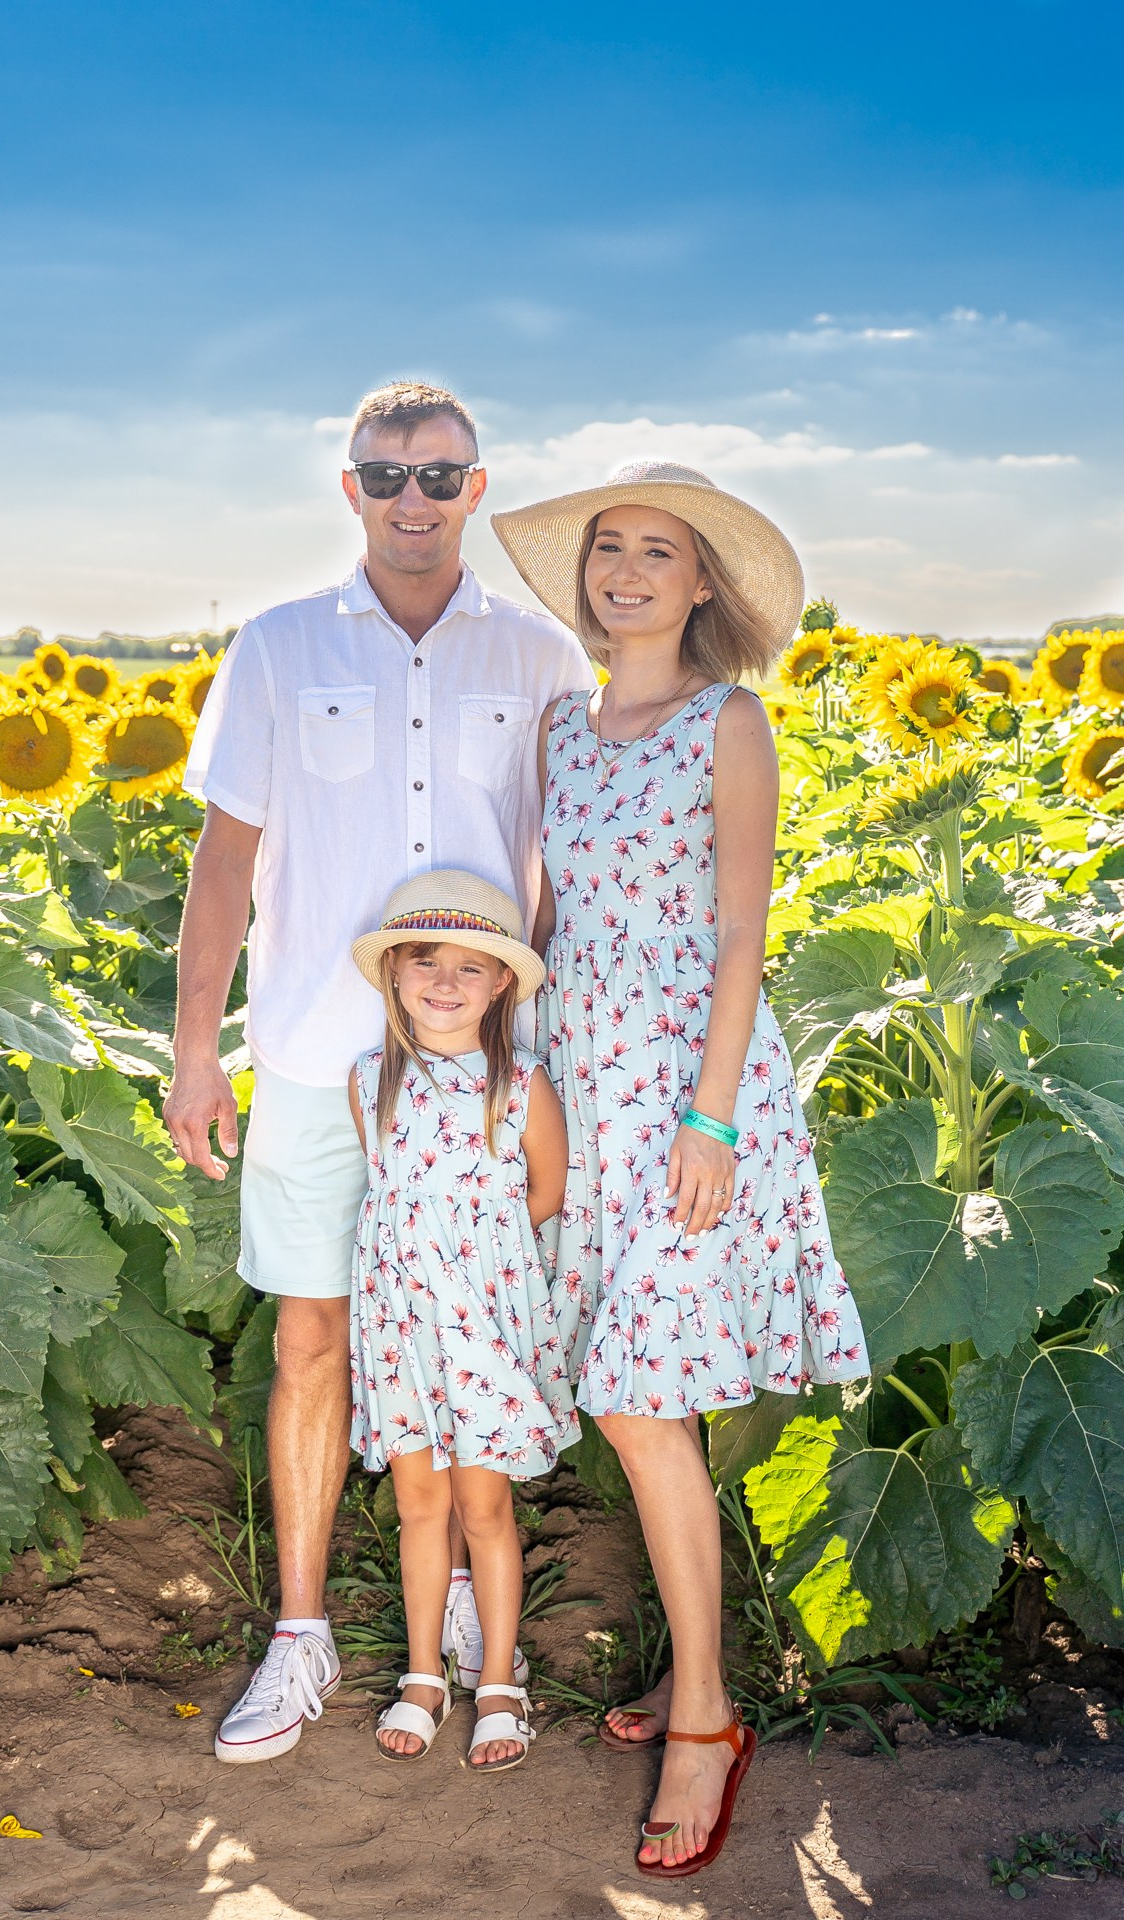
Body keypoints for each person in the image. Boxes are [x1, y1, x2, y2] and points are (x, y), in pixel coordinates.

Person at [163, 380, 590, 1766]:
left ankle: (455, 1588)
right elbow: (224, 862)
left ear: (477, 488)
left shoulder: (538, 656)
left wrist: (543, 1042)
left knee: (469, 1325)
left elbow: (561, 864)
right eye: (388, 474)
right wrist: (195, 1051)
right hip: (309, 1048)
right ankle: (301, 1635)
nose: (415, 498)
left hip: (472, 1069)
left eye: (440, 475)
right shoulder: (279, 646)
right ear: (350, 488)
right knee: (311, 1337)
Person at [492, 461, 870, 1877]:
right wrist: (512, 1078)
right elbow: (545, 920)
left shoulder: (730, 721)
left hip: (685, 1093)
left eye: (658, 550)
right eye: (608, 547)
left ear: (701, 581)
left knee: (642, 1405)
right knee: (644, 1395)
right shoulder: (560, 727)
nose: (626, 571)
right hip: (580, 1082)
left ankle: (706, 1721)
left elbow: (741, 934)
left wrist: (710, 1121)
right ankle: (689, 1670)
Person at [346, 870, 575, 1770]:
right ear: (395, 973)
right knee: (418, 1503)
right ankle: (422, 1674)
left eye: (470, 967)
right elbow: (389, 1200)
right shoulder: (369, 1082)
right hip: (401, 1326)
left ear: (501, 983)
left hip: (483, 1326)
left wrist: (477, 1271)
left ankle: (500, 1681)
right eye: (425, 962)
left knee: (484, 1505)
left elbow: (544, 1194)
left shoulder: (519, 1085)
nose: (445, 982)